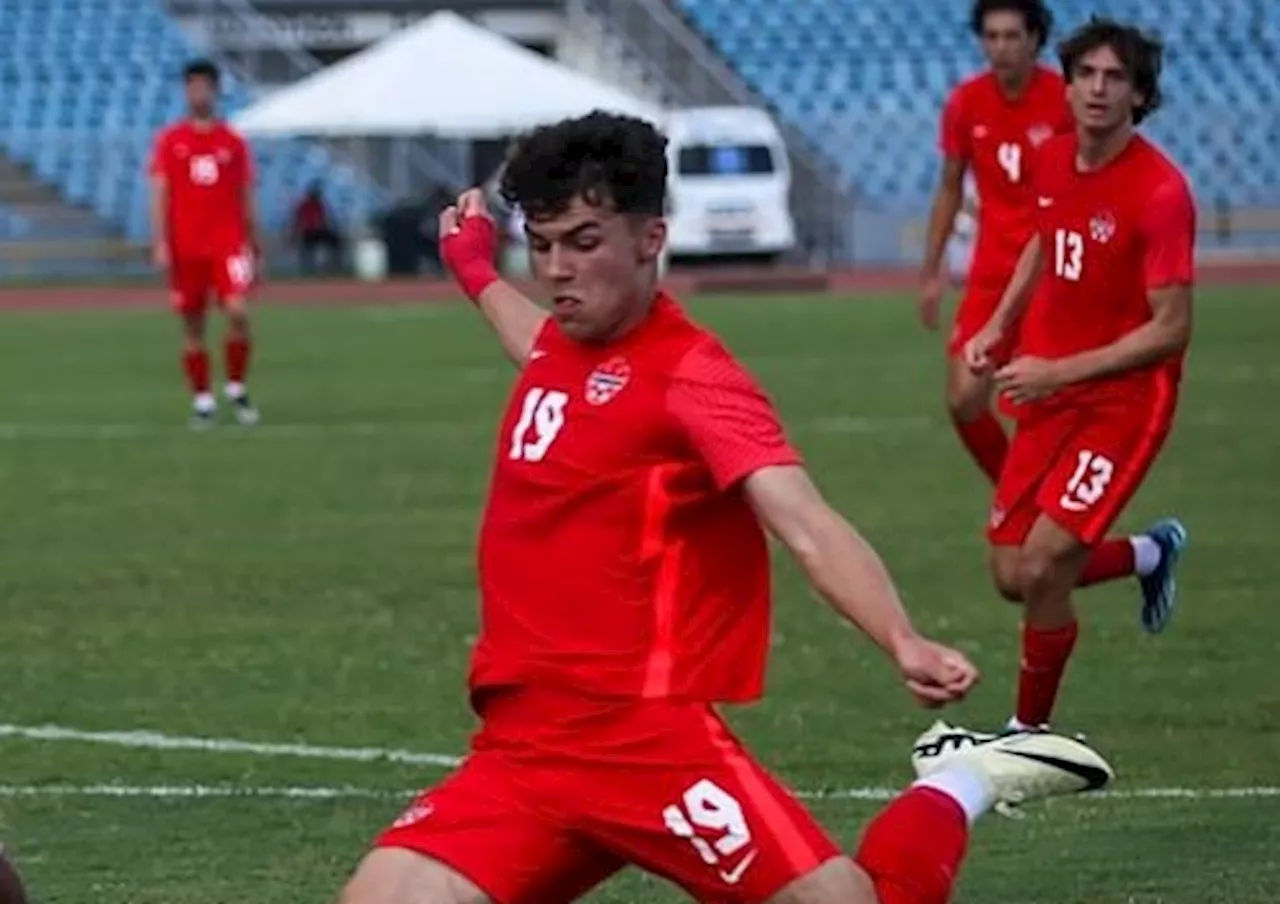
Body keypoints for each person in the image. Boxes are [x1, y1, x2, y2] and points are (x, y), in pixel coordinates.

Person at [336, 111, 1115, 904]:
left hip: (645, 743)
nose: (557, 270)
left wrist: (900, 637)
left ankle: (959, 782)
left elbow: (806, 524)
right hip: (523, 751)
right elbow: (531, 336)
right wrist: (473, 270)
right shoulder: (560, 347)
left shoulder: (694, 377)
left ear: (651, 238)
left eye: (583, 241)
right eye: (541, 245)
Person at [939, 18, 1192, 742]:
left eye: (1117, 78)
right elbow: (1042, 248)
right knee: (1012, 572)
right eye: (1087, 74)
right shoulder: (1052, 162)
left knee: (1047, 563)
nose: (1098, 89)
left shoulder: (1161, 193)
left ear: (1140, 96)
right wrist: (997, 328)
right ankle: (1150, 552)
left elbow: (1171, 329)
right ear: (1071, 82)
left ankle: (1028, 736)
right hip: (1050, 387)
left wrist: (1059, 371)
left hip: (1124, 402)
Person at [919, 0, 1071, 482]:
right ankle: (1016, 489)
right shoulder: (966, 102)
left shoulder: (1064, 100)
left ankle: (1046, 507)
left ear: (1034, 40)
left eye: (1011, 36)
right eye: (991, 37)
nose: (1000, 48)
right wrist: (931, 271)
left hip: (1050, 275)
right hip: (990, 274)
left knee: (1041, 403)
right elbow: (949, 187)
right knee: (964, 399)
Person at [149, 58, 262, 428]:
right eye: (192, 86)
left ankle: (236, 386)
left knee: (237, 311)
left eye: (204, 86)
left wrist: (254, 240)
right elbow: (160, 193)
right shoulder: (171, 140)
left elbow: (245, 194)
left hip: (228, 242)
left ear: (215, 91)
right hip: (186, 245)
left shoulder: (232, 141)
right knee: (193, 325)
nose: (198, 93)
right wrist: (161, 241)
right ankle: (202, 399)